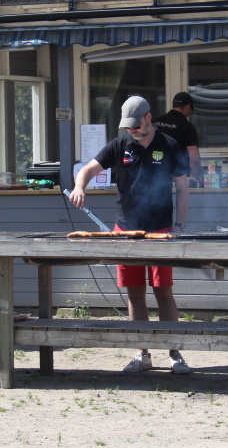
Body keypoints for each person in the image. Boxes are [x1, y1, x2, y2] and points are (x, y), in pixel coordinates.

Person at [70, 95, 192, 375]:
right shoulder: (119, 145)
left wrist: (179, 225)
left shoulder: (170, 145)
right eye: (128, 126)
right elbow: (88, 169)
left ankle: (173, 352)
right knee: (135, 293)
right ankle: (142, 353)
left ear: (148, 118)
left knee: (163, 292)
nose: (132, 130)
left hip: (161, 231)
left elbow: (183, 188)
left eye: (136, 125)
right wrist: (79, 187)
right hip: (125, 231)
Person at [153, 91, 202, 187]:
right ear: (188, 106)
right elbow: (194, 157)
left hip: (155, 179)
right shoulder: (187, 127)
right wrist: (197, 178)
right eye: (190, 110)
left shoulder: (155, 122)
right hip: (179, 179)